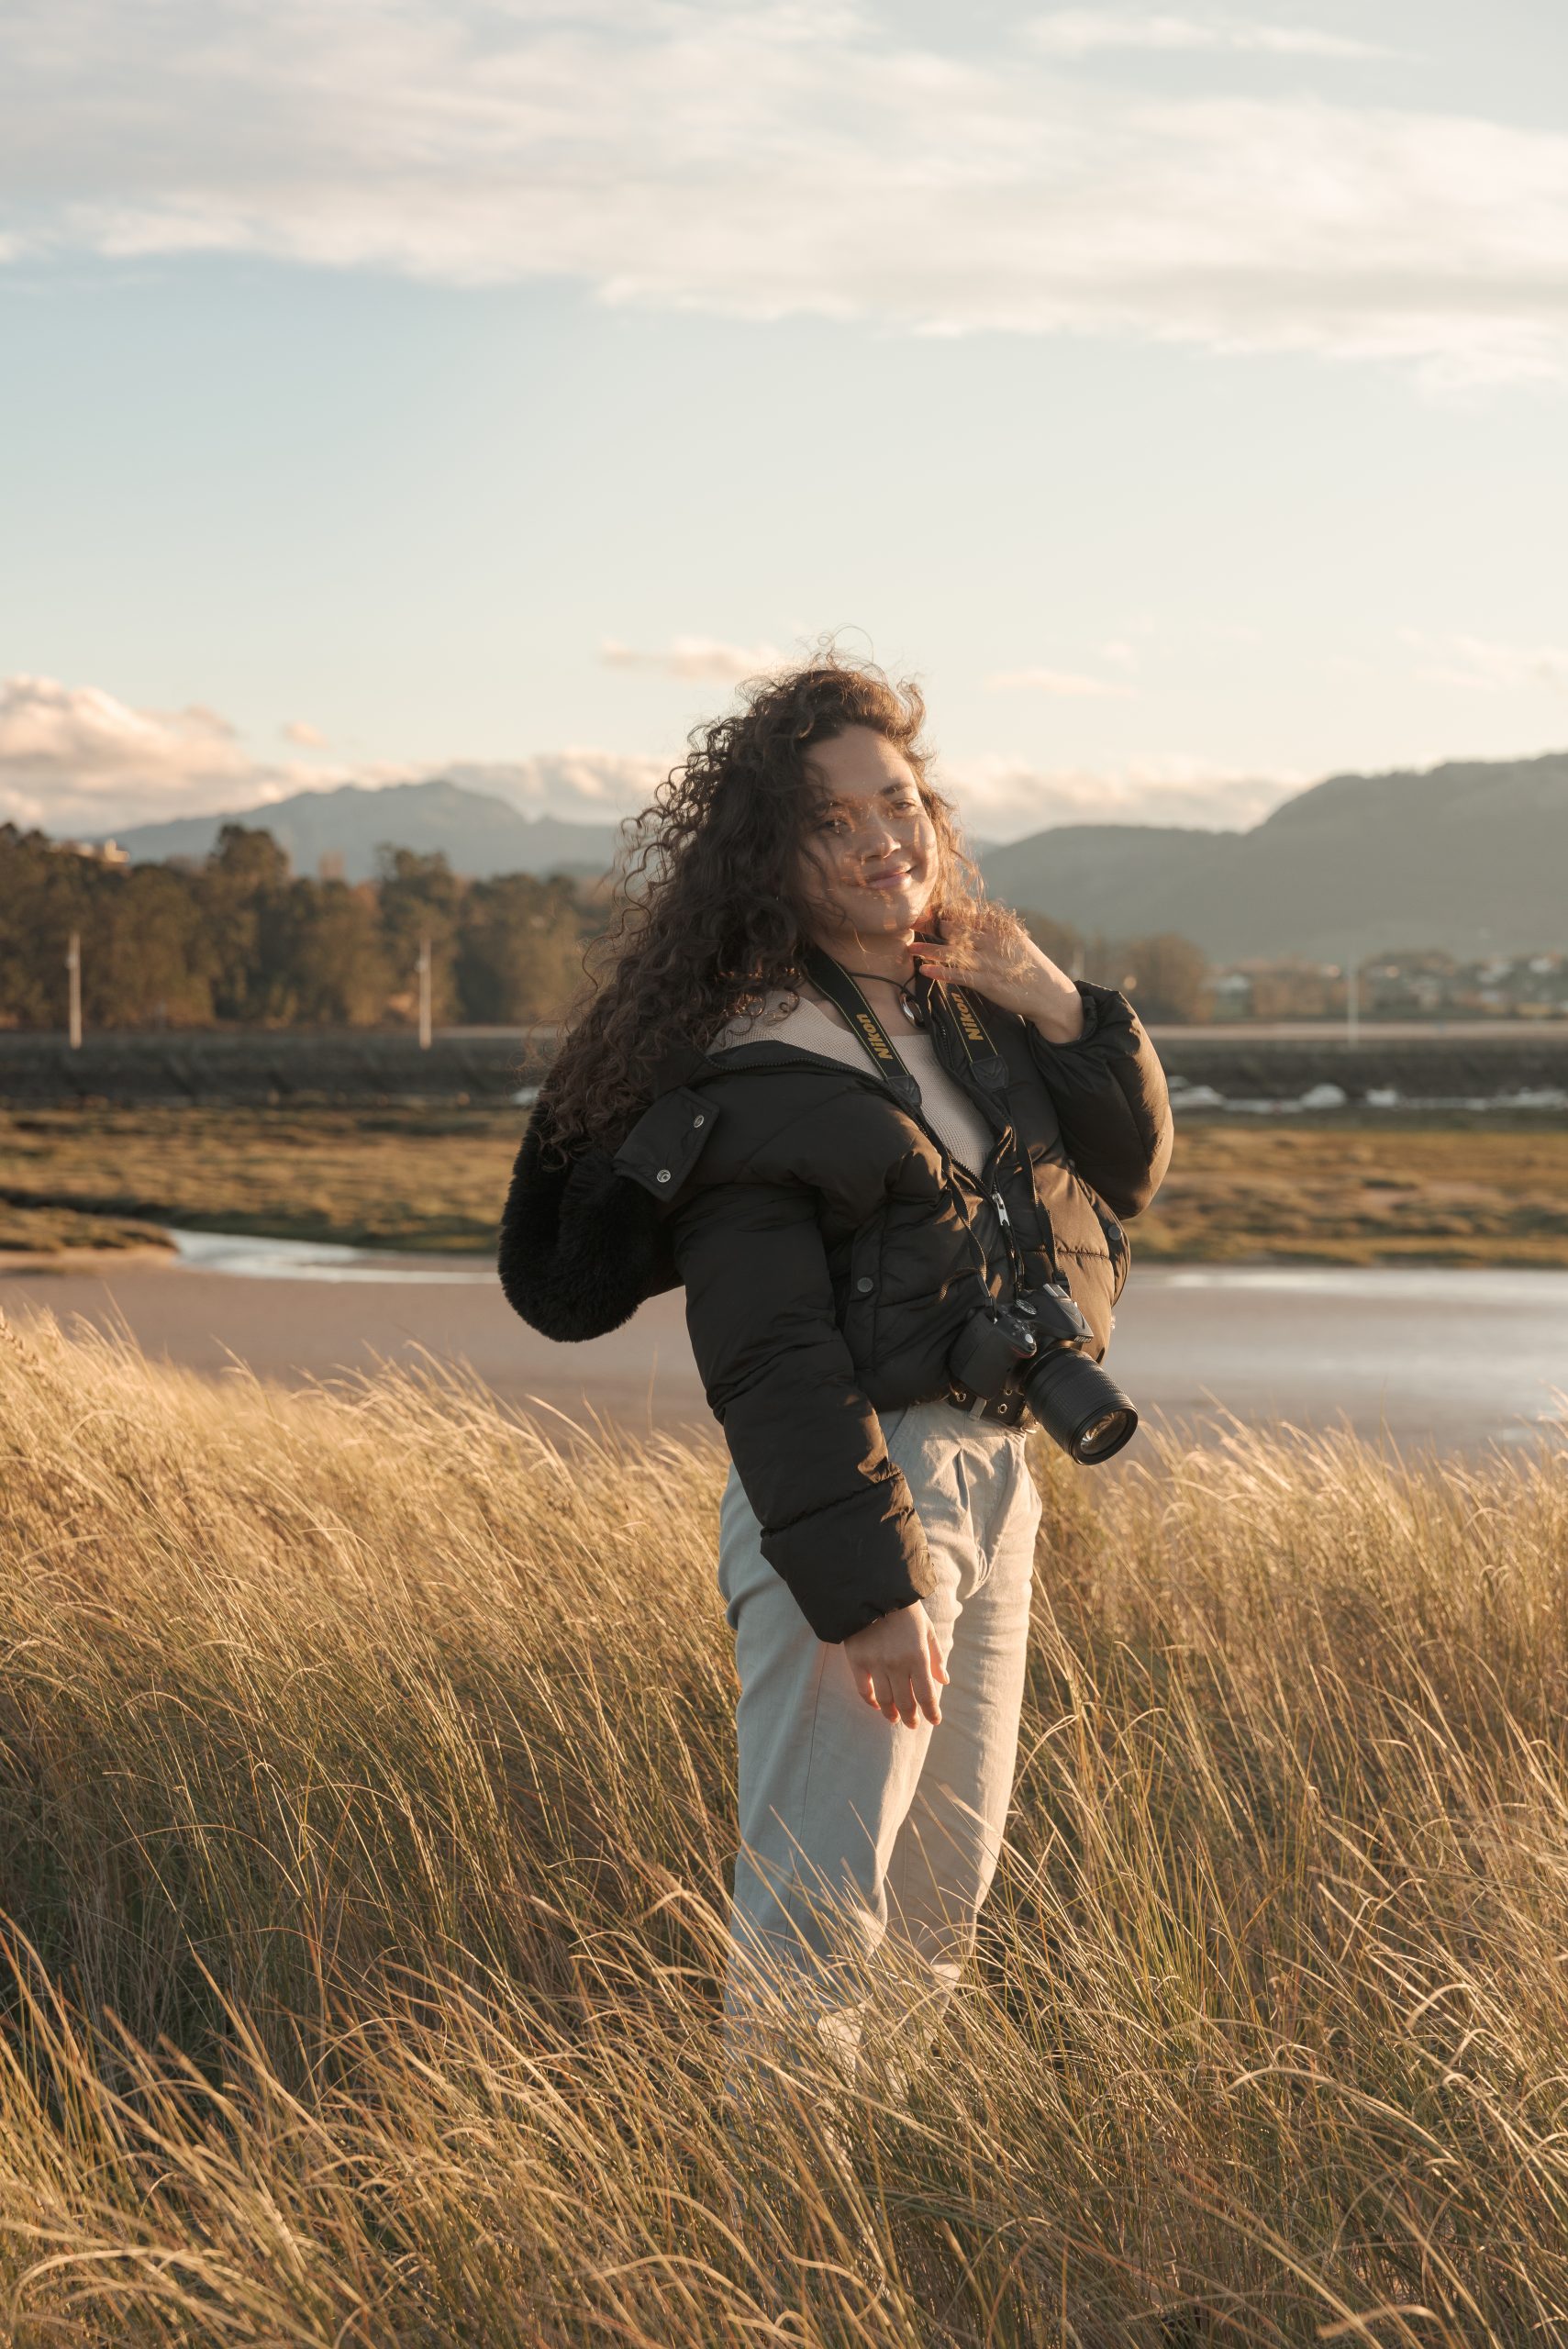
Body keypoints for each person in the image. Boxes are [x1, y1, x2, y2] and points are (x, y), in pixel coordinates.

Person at [497, 654, 1173, 2107]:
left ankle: (878, 2213)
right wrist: (866, 1587)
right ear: (769, 859)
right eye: (833, 821)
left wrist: (1049, 995)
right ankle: (782, 2252)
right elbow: (770, 1352)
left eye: (901, 802)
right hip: (867, 1491)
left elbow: (1121, 1169)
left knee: (938, 1909)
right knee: (819, 1916)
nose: (886, 839)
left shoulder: (961, 1012)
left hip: (996, 1480)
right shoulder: (757, 1055)